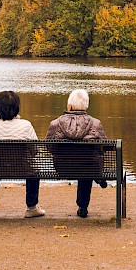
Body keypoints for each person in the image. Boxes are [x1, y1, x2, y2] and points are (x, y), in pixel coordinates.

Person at [0, 90, 45, 219]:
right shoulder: (26, 125)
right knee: (34, 171)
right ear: (17, 108)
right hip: (22, 168)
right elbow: (34, 151)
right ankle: (31, 207)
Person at [45, 88, 108, 218]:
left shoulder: (55, 124)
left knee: (86, 164)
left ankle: (95, 180)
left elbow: (49, 148)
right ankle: (83, 206)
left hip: (63, 168)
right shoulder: (95, 124)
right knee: (89, 164)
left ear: (70, 105)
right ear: (86, 105)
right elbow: (105, 147)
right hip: (89, 169)